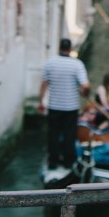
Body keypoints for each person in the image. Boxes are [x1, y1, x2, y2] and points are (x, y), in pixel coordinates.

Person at [38, 38, 90, 172]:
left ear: (59, 47)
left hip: (54, 106)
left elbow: (44, 84)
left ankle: (53, 162)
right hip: (71, 107)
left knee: (53, 134)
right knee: (69, 134)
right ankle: (68, 162)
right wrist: (85, 92)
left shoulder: (50, 63)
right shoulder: (77, 64)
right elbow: (85, 85)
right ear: (71, 49)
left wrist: (40, 102)